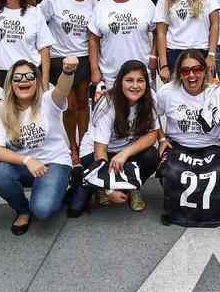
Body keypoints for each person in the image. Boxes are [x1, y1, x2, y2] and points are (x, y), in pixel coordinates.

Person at [0, 57, 79, 235]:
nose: (24, 80)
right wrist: (27, 160)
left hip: (53, 163)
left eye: (29, 76)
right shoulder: (0, 110)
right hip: (25, 166)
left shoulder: (48, 101)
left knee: (43, 210)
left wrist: (68, 71)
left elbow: (62, 89)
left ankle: (59, 184)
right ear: (10, 83)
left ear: (36, 81)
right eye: (18, 77)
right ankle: (22, 210)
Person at [68, 59, 160, 216]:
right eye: (129, 80)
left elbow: (152, 134)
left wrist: (125, 153)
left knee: (151, 155)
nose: (135, 86)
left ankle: (131, 187)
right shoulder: (108, 103)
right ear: (120, 82)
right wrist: (109, 188)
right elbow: (100, 151)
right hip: (95, 154)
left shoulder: (150, 97)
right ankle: (92, 185)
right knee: (75, 210)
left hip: (123, 152)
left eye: (140, 80)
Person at [156, 49, 220, 227]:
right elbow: (151, 114)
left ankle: (215, 213)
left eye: (197, 69)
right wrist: (161, 139)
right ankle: (177, 213)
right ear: (179, 73)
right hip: (179, 144)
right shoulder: (167, 92)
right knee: (173, 173)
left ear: (205, 70)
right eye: (185, 71)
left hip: (211, 145)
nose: (191, 75)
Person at [39, 0, 98, 163]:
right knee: (69, 105)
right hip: (59, 59)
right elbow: (36, 23)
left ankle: (84, 145)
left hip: (83, 58)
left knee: (83, 103)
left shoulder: (93, 3)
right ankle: (71, 146)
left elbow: (96, 35)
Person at [88, 0, 157, 88]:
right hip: (111, 76)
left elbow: (158, 32)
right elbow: (93, 39)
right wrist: (94, 70)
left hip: (141, 74)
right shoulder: (101, 6)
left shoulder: (146, 3)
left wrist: (153, 57)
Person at [154, 0, 220, 80]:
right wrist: (163, 65)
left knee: (206, 95)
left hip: (202, 52)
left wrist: (211, 55)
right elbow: (161, 33)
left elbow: (215, 24)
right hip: (175, 54)